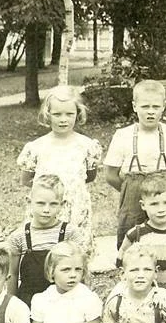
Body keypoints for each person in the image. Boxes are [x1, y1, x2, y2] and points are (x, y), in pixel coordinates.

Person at [17, 85, 102, 256]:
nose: (63, 119)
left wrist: (71, 191)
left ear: (78, 114)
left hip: (76, 211)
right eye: (57, 114)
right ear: (48, 115)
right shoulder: (37, 147)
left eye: (69, 114)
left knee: (75, 255)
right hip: (46, 210)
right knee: (44, 253)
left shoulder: (86, 146)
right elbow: (26, 180)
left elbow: (89, 176)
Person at [103, 79, 166, 247]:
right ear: (134, 106)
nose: (150, 112)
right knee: (133, 238)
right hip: (134, 199)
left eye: (155, 107)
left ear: (164, 106)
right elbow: (110, 174)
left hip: (164, 196)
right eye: (145, 107)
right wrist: (131, 188)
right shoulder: (122, 135)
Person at [6, 175, 83, 307]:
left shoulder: (70, 233)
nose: (46, 210)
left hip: (63, 299)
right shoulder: (19, 237)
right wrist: (11, 305)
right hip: (29, 300)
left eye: (53, 204)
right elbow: (12, 274)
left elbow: (80, 269)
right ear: (29, 202)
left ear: (62, 204)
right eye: (41, 203)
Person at [117, 171, 166, 293]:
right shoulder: (135, 234)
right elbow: (122, 260)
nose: (161, 209)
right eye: (154, 204)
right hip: (144, 293)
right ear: (143, 205)